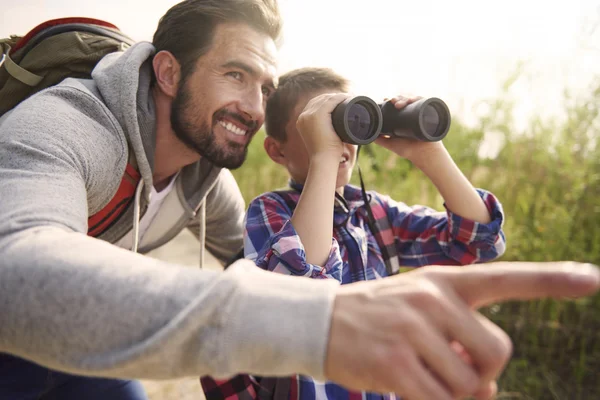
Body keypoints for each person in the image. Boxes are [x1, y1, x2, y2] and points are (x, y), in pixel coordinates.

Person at [0, 1, 598, 400]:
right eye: (234, 75)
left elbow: (263, 266)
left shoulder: (207, 183)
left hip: (73, 350)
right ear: (168, 73)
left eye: (265, 87)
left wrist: (422, 151)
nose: (256, 109)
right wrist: (323, 320)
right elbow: (13, 270)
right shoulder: (70, 127)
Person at [200, 67, 507, 399]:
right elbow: (298, 285)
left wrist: (428, 152)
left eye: (347, 123)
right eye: (319, 129)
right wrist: (324, 157)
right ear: (277, 151)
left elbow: (477, 242)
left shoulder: (374, 212)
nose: (339, 142)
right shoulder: (270, 210)